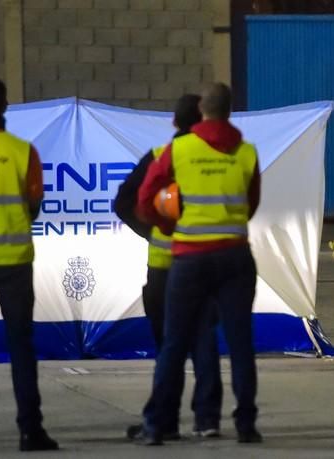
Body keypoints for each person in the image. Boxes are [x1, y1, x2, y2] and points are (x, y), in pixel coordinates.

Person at [135, 83, 262, 445]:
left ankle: (157, 425)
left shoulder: (179, 149)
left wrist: (169, 224)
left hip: (190, 257)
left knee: (174, 341)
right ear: (230, 111)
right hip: (236, 257)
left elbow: (145, 198)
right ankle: (246, 425)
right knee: (240, 342)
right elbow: (251, 204)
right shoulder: (247, 153)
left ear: (202, 111)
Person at [114, 94, 223, 440]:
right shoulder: (218, 158)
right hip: (206, 264)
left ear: (174, 123)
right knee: (203, 342)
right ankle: (207, 420)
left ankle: (166, 421)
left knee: (169, 348)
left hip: (164, 267)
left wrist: (152, 232)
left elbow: (123, 202)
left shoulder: (159, 157)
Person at [0, 77, 58, 451]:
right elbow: (33, 206)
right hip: (14, 261)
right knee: (21, 349)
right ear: (4, 107)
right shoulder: (24, 151)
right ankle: (31, 431)